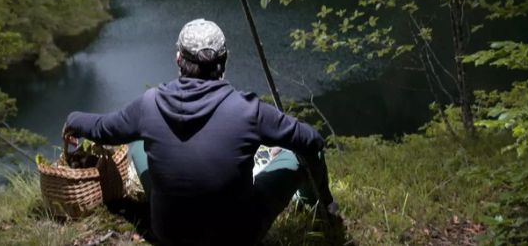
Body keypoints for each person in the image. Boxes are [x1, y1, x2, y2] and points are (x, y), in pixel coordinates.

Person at [63, 18, 338, 245]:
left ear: (178, 59)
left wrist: (74, 119)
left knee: (136, 142)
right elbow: (312, 141)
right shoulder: (248, 111)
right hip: (237, 237)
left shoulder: (149, 105)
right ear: (224, 60)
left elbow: (104, 129)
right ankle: (323, 208)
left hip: (170, 234)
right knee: (298, 154)